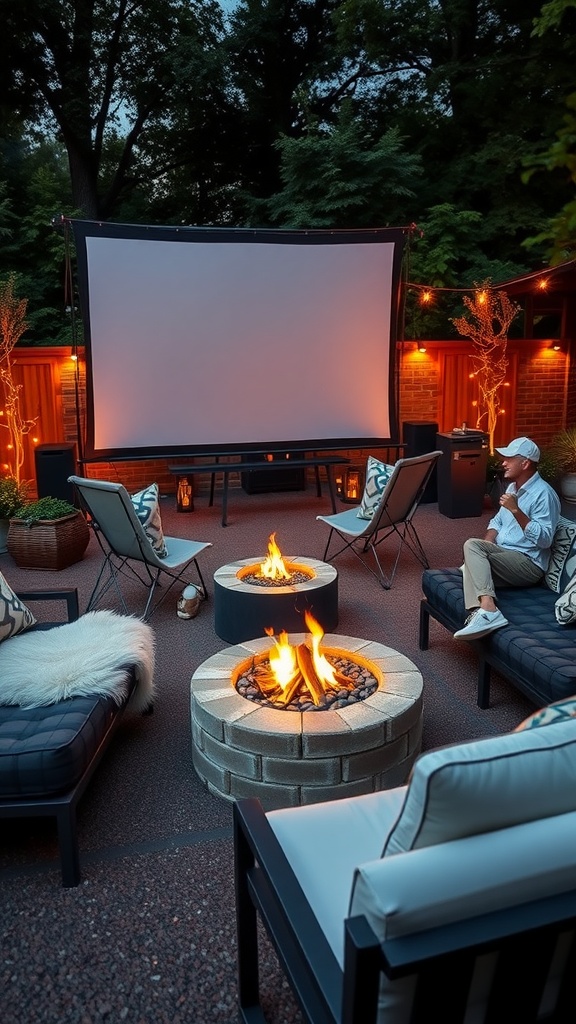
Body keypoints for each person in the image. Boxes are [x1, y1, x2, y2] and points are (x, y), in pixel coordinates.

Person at [454, 436, 561, 640]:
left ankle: (489, 610)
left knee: (471, 551)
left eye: (509, 458)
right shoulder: (513, 488)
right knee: (474, 553)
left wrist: (517, 511)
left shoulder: (544, 494)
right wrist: (487, 544)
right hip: (505, 555)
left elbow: (546, 540)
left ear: (525, 463)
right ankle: (481, 610)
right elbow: (497, 522)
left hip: (527, 564)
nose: (503, 462)